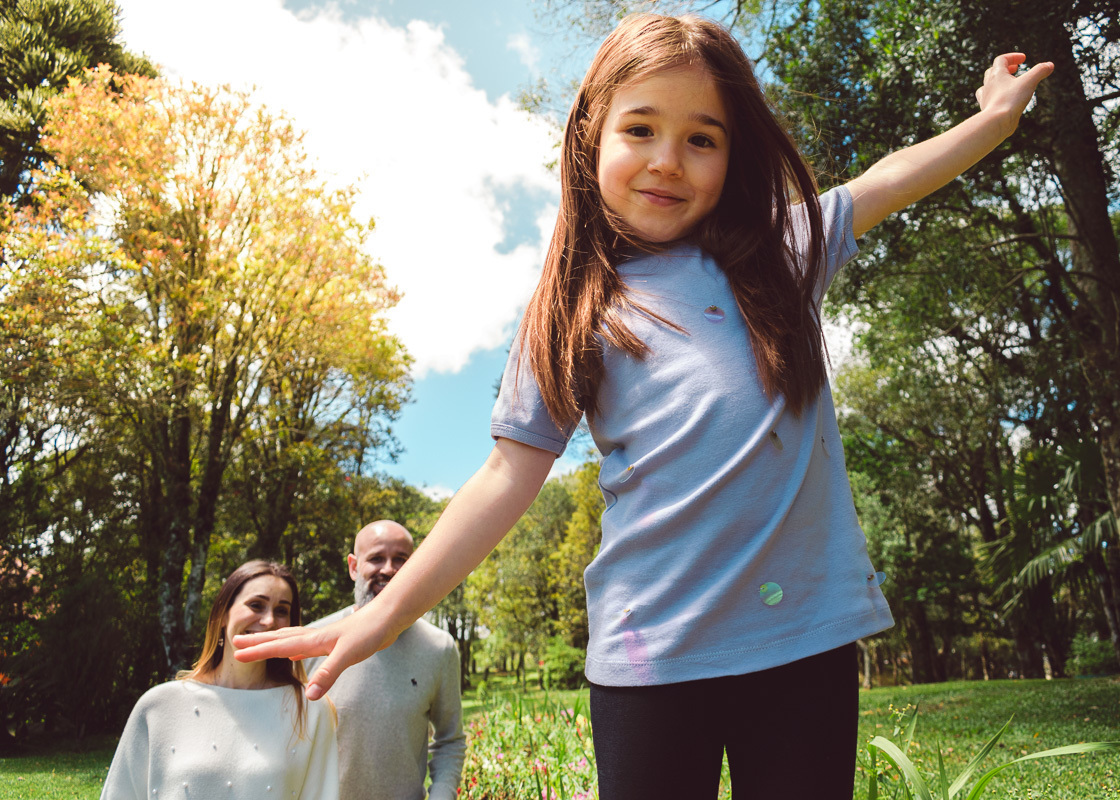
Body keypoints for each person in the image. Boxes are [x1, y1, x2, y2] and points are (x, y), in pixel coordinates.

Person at [235, 13, 1053, 798]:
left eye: (702, 138)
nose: (669, 159)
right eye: (640, 129)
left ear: (733, 156)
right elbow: (503, 477)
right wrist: (381, 620)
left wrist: (990, 123)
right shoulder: (571, 309)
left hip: (803, 642)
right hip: (650, 658)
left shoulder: (782, 253)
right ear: (591, 132)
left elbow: (885, 181)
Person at [102, 560, 338, 800]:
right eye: (256, 605)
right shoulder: (157, 706)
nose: (268, 621)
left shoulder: (312, 710)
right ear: (223, 615)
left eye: (281, 611)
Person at [307, 520, 465, 800]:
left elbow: (450, 740)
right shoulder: (312, 641)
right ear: (354, 566)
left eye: (400, 560)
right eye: (377, 558)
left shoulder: (439, 647)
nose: (389, 569)